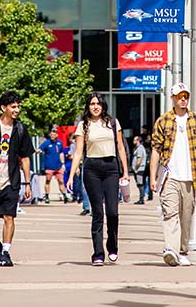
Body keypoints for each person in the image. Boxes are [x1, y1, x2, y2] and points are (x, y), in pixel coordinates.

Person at [67, 92, 130, 265]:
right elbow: (78, 151)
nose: (95, 106)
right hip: (91, 168)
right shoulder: (84, 125)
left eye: (98, 103)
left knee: (112, 211)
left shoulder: (112, 123)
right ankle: (98, 253)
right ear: (88, 106)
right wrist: (71, 175)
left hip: (111, 167)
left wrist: (125, 171)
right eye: (92, 104)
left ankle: (112, 245)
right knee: (97, 213)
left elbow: (121, 147)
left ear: (103, 106)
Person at [149, 83, 196, 267]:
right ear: (173, 98)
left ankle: (183, 251)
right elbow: (156, 150)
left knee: (186, 217)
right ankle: (170, 250)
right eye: (180, 96)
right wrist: (153, 176)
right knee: (170, 213)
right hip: (170, 176)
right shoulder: (163, 121)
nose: (183, 99)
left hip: (191, 176)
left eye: (186, 96)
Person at [0, 91, 34, 266]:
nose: (17, 110)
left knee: (9, 216)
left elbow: (25, 157)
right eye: (13, 106)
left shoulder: (21, 129)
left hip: (11, 181)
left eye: (18, 106)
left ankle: (6, 252)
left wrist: (27, 183)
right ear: (3, 108)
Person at [37, 126, 68, 204]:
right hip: (49, 165)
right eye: (51, 134)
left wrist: (63, 163)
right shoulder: (47, 143)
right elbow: (39, 149)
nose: (52, 135)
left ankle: (64, 195)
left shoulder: (59, 142)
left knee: (61, 180)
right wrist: (38, 151)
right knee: (48, 180)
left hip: (58, 165)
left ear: (57, 135)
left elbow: (61, 153)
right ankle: (47, 196)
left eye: (54, 134)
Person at [131, 135, 147, 205]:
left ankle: (141, 199)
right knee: (139, 184)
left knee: (140, 184)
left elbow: (139, 159)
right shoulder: (137, 148)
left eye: (134, 140)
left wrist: (136, 168)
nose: (133, 141)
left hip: (139, 169)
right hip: (138, 169)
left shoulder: (140, 149)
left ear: (138, 141)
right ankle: (141, 198)